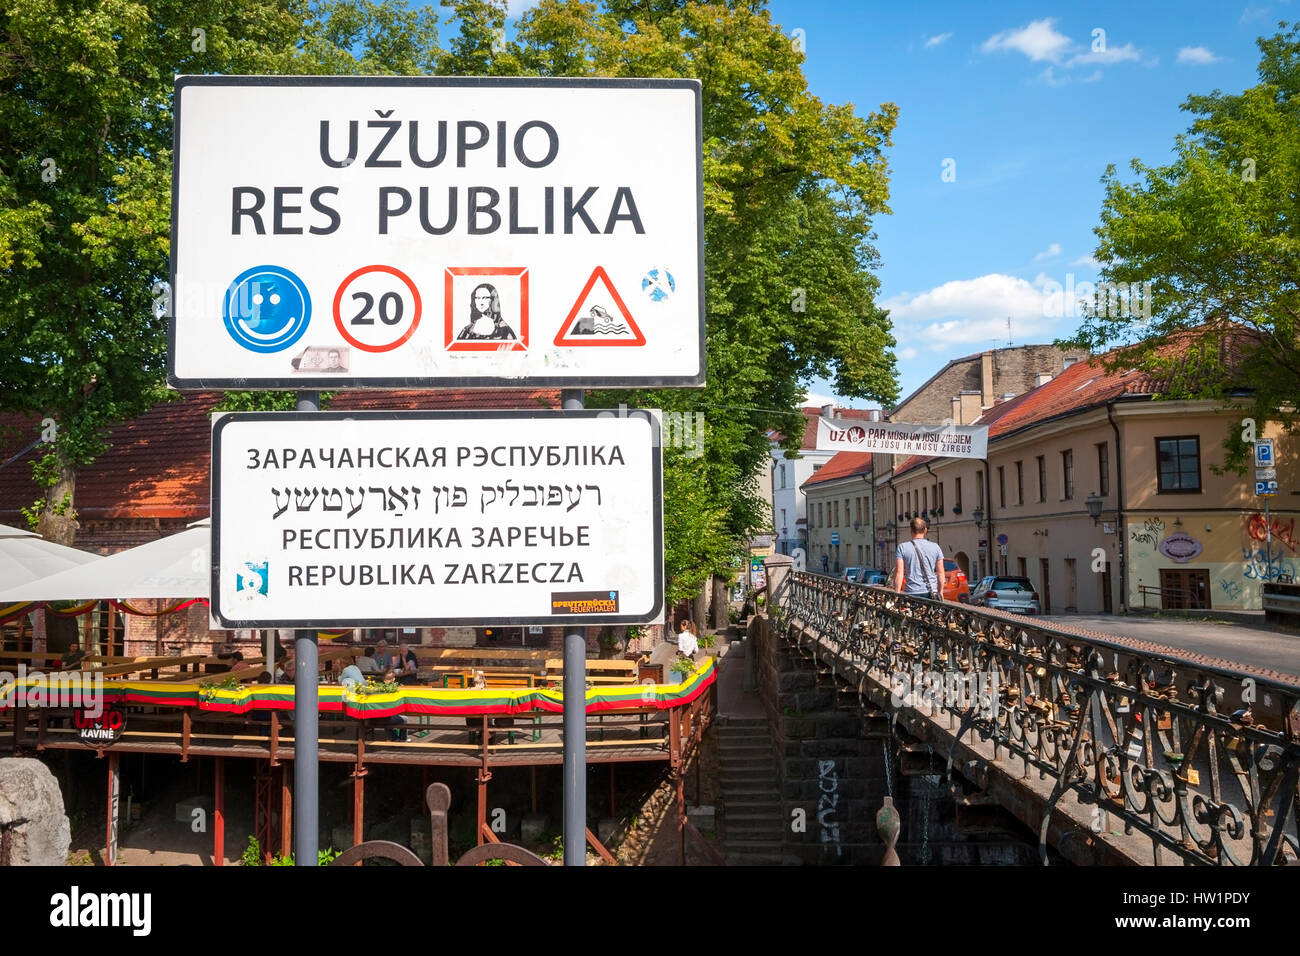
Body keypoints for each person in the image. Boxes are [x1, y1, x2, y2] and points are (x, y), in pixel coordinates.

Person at [893, 517, 946, 600]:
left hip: (912, 592)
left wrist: (897, 593)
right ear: (925, 530)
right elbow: (941, 573)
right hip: (931, 592)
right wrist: (940, 591)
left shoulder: (902, 547)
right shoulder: (935, 547)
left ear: (911, 531)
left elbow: (899, 573)